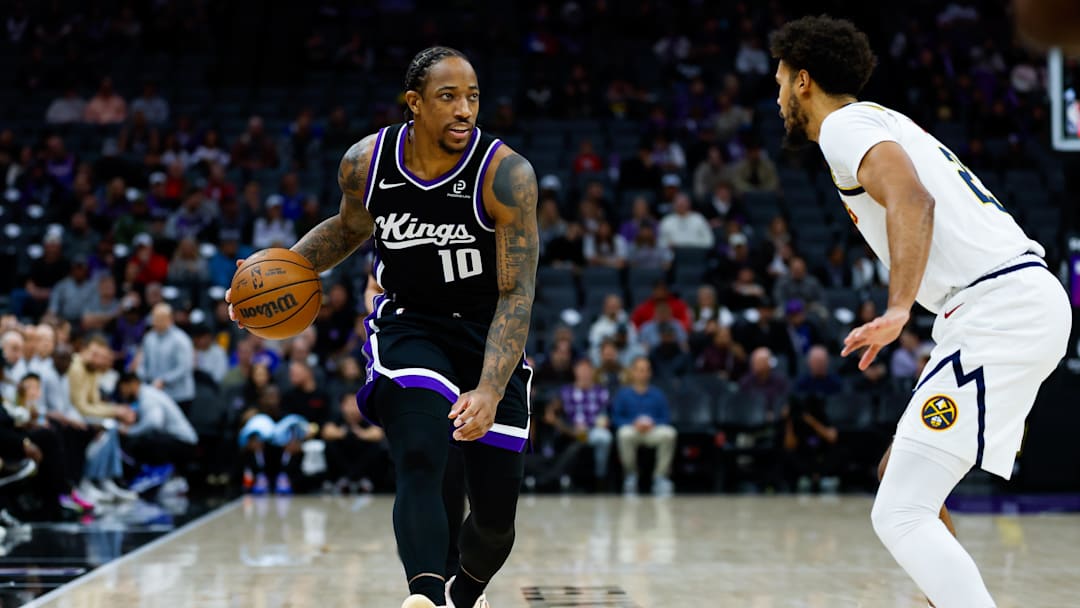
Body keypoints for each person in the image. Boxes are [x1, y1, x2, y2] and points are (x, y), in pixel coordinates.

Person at [771, 16, 1071, 608]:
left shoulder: (845, 126)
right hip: (1006, 304)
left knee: (899, 512)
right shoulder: (881, 120)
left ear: (803, 81)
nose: (776, 95)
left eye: (778, 81)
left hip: (997, 308)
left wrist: (897, 309)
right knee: (903, 483)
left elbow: (913, 198)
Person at [227, 46, 537, 608]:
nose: (465, 109)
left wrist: (491, 389)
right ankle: (422, 595)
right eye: (449, 97)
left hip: (488, 331)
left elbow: (518, 291)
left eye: (472, 96)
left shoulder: (506, 175)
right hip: (409, 322)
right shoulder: (366, 163)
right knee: (419, 452)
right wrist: (266, 280)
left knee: (493, 521)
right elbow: (348, 231)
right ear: (414, 103)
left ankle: (465, 594)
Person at [612, 357, 676, 496]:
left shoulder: (658, 394)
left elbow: (666, 418)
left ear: (650, 373)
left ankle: (660, 477)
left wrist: (653, 423)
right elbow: (616, 418)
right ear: (633, 372)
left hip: (652, 430)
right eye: (640, 370)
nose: (643, 373)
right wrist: (633, 423)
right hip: (633, 430)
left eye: (647, 370)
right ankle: (631, 476)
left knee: (669, 434)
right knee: (623, 434)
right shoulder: (623, 394)